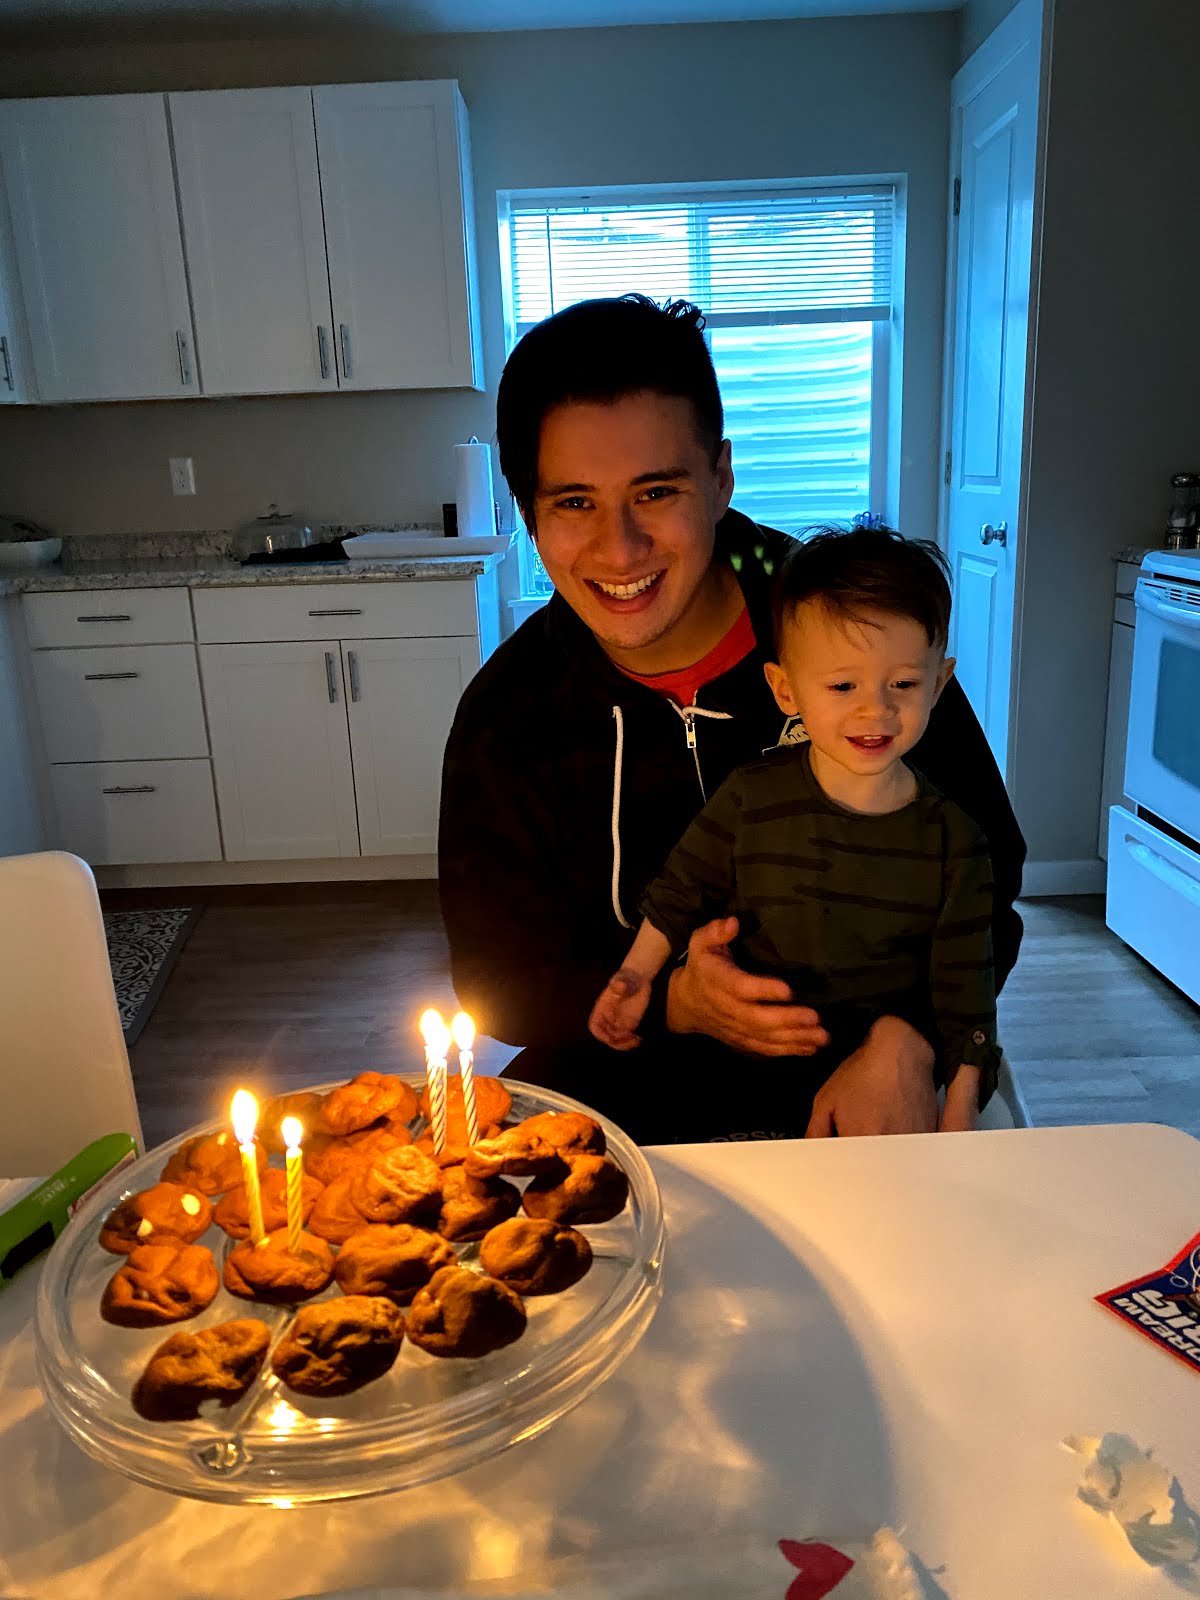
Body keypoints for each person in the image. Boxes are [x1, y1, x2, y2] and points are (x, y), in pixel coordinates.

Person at [438, 294, 1026, 1143]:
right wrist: (674, 1000)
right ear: (529, 512)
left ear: (720, 477)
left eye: (656, 491)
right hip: (624, 1075)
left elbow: (991, 877)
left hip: (868, 1062)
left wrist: (914, 1038)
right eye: (574, 502)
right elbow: (497, 981)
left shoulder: (851, 626)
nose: (620, 547)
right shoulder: (509, 717)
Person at [588, 525, 998, 1134]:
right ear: (786, 690)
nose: (876, 709)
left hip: (873, 1098)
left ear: (939, 684)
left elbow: (966, 996)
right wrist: (635, 975)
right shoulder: (749, 795)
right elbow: (680, 890)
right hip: (737, 1079)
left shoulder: (957, 843)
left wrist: (957, 1124)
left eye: (904, 684)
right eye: (843, 686)